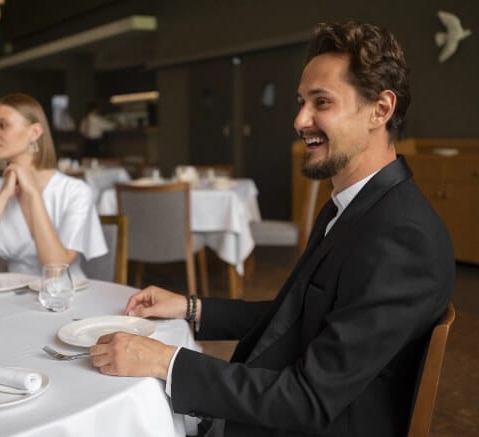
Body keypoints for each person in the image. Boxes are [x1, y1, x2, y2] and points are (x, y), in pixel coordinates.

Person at [88, 21, 455, 437]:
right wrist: (190, 308)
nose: (300, 119)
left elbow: (309, 400)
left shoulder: (403, 237)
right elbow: (299, 315)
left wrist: (164, 361)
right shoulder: (359, 207)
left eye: (322, 102)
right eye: (301, 102)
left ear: (381, 110)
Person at [0, 93, 107, 278]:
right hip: (11, 296)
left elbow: (56, 268)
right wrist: (2, 197)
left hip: (65, 298)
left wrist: (34, 194)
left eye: (2, 125)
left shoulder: (75, 192)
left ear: (35, 132)